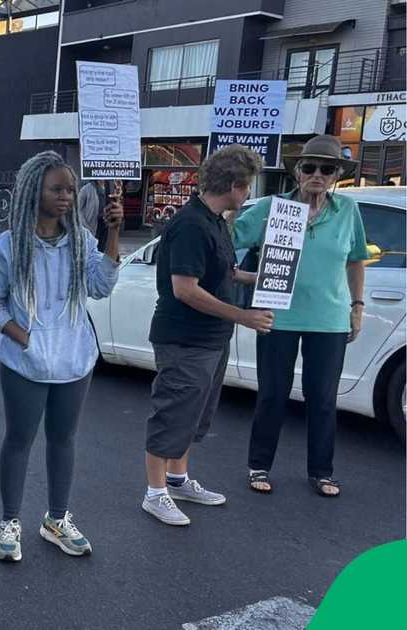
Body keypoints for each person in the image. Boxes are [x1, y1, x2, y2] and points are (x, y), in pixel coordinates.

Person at [0, 151, 122, 561]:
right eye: (57, 189)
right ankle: (9, 522)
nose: (66, 196)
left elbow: (100, 287)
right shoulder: (12, 244)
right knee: (19, 440)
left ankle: (57, 519)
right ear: (33, 191)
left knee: (64, 440)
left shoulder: (80, 240)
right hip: (26, 362)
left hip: (75, 360)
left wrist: (113, 233)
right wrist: (20, 333)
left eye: (71, 190)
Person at [141, 144, 270, 527]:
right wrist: (242, 315)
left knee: (195, 415)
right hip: (185, 339)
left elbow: (226, 272)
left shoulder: (216, 222)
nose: (248, 194)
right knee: (172, 413)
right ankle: (155, 492)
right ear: (233, 184)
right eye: (247, 187)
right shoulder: (191, 225)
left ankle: (177, 481)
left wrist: (263, 279)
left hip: (212, 338)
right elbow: (185, 289)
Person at [234, 135, 368, 498]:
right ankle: (259, 465)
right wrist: (241, 274)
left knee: (323, 397)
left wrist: (357, 307)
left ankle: (322, 471)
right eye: (309, 167)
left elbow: (356, 259)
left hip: (329, 318)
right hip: (277, 316)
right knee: (272, 395)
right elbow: (228, 236)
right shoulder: (273, 208)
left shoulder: (347, 211)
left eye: (326, 169)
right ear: (297, 171)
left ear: (337, 174)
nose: (317, 174)